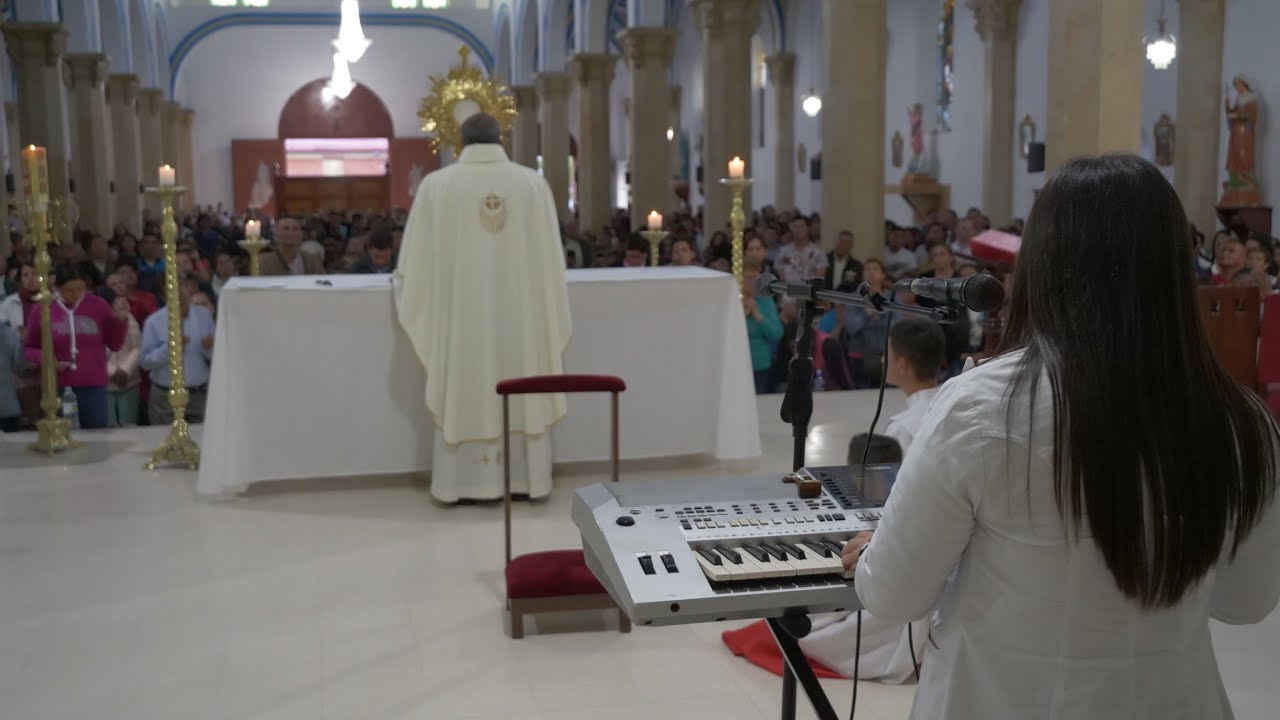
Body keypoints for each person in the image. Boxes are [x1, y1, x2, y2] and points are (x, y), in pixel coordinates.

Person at [842, 155, 1280, 719]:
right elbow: (1245, 603)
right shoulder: (1242, 422)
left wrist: (878, 555)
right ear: (1174, 268)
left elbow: (895, 595)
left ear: (1043, 265)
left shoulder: (980, 407)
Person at [394, 113, 571, 505]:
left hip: (461, 324)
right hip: (521, 321)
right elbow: (551, 267)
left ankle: (464, 482)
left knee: (466, 377)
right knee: (522, 366)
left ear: (461, 140)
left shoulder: (437, 186)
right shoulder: (532, 184)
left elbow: (414, 268)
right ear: (501, 136)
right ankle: (526, 478)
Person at [23, 264, 127, 429]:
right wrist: (48, 360)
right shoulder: (43, 309)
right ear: (56, 288)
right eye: (69, 290)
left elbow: (114, 344)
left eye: (80, 289)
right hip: (59, 386)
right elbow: (30, 347)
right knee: (63, 434)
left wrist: (120, 322)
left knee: (96, 434)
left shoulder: (98, 305)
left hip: (93, 385)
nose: (76, 294)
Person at [140, 279, 215, 424]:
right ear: (164, 295)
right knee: (164, 440)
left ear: (190, 289)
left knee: (202, 442)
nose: (179, 292)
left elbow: (213, 357)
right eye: (173, 289)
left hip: (198, 395)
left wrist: (209, 348)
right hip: (165, 397)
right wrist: (170, 348)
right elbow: (145, 362)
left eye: (183, 287)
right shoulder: (154, 322)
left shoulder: (204, 316)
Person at [744, 261, 784, 394]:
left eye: (756, 278)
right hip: (737, 362)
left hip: (760, 363)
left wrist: (757, 315)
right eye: (748, 277)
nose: (753, 282)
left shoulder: (765, 301)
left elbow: (777, 334)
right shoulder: (732, 300)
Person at [105, 295, 142, 427]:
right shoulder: (101, 322)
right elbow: (97, 352)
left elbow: (137, 348)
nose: (123, 303)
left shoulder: (133, 322)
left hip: (129, 381)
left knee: (128, 425)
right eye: (118, 301)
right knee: (109, 426)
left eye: (125, 300)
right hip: (106, 382)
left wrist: (125, 370)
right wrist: (113, 371)